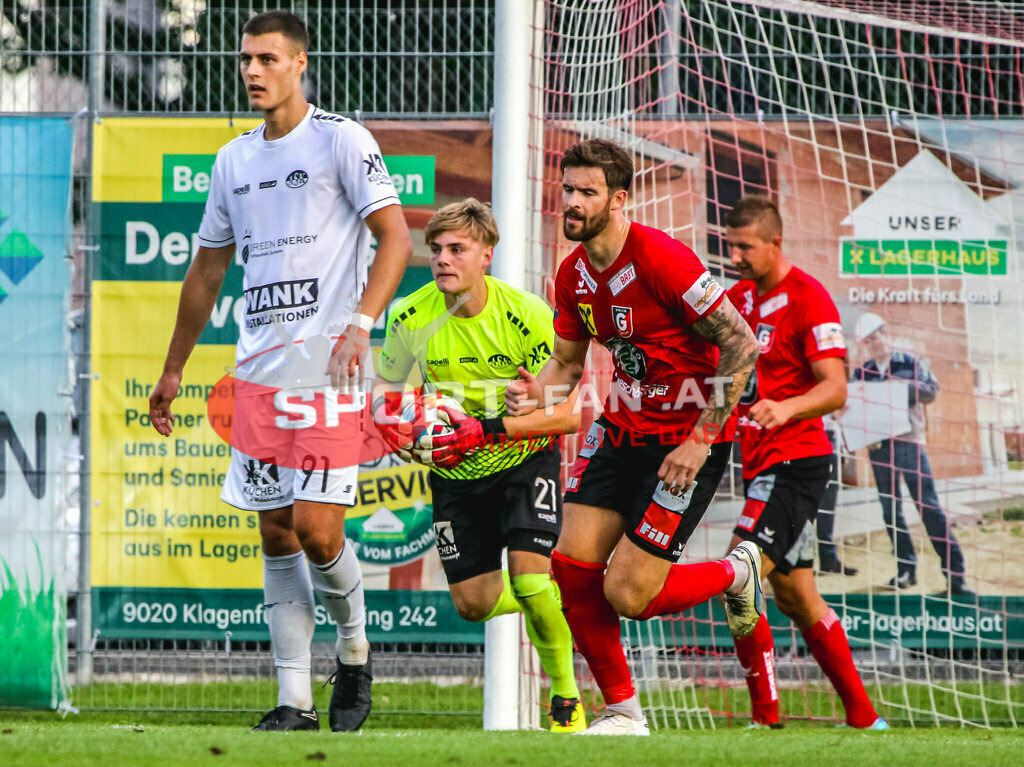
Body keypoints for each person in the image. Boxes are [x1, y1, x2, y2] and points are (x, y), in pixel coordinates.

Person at [147, 11, 412, 732]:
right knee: (275, 534)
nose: (253, 71)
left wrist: (360, 325)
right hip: (258, 375)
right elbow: (207, 269)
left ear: (300, 64)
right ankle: (293, 699)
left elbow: (395, 237)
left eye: (267, 58)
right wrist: (173, 369)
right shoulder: (233, 160)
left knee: (320, 530)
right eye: (245, 59)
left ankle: (355, 652)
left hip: (328, 371)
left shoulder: (340, 139)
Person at [505, 139, 763, 736]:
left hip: (686, 442)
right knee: (568, 571)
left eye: (586, 192)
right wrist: (531, 396)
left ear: (620, 199)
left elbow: (741, 344)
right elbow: (567, 367)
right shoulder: (572, 275)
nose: (571, 202)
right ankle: (624, 713)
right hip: (621, 427)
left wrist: (700, 440)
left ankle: (736, 573)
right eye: (567, 189)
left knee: (628, 595)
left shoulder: (662, 259)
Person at [372, 199, 587, 732]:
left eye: (457, 249)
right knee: (473, 604)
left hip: (521, 460)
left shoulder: (529, 315)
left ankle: (566, 699)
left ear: (487, 254)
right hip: (453, 474)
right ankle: (551, 596)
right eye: (436, 250)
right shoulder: (410, 315)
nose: (443, 259)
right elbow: (385, 391)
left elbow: (572, 413)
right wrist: (389, 424)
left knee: (532, 581)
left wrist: (517, 411)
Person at [724, 195, 886, 730]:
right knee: (795, 595)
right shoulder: (739, 298)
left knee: (738, 577)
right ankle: (865, 719)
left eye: (745, 246)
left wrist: (785, 407)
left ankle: (764, 718)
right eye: (730, 245)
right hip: (762, 464)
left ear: (775, 243)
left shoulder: (809, 298)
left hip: (797, 463)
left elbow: (836, 389)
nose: (736, 255)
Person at [852, 313, 972, 596]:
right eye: (866, 341)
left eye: (875, 337)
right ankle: (906, 570)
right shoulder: (862, 372)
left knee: (928, 507)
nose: (872, 344)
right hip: (879, 449)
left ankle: (956, 575)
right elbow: (853, 404)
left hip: (909, 445)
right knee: (890, 511)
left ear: (885, 333)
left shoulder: (909, 363)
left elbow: (931, 391)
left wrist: (899, 391)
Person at [815, 415, 858, 576]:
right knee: (805, 503)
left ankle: (828, 560)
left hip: (832, 436)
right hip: (812, 432)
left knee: (828, 505)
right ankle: (799, 562)